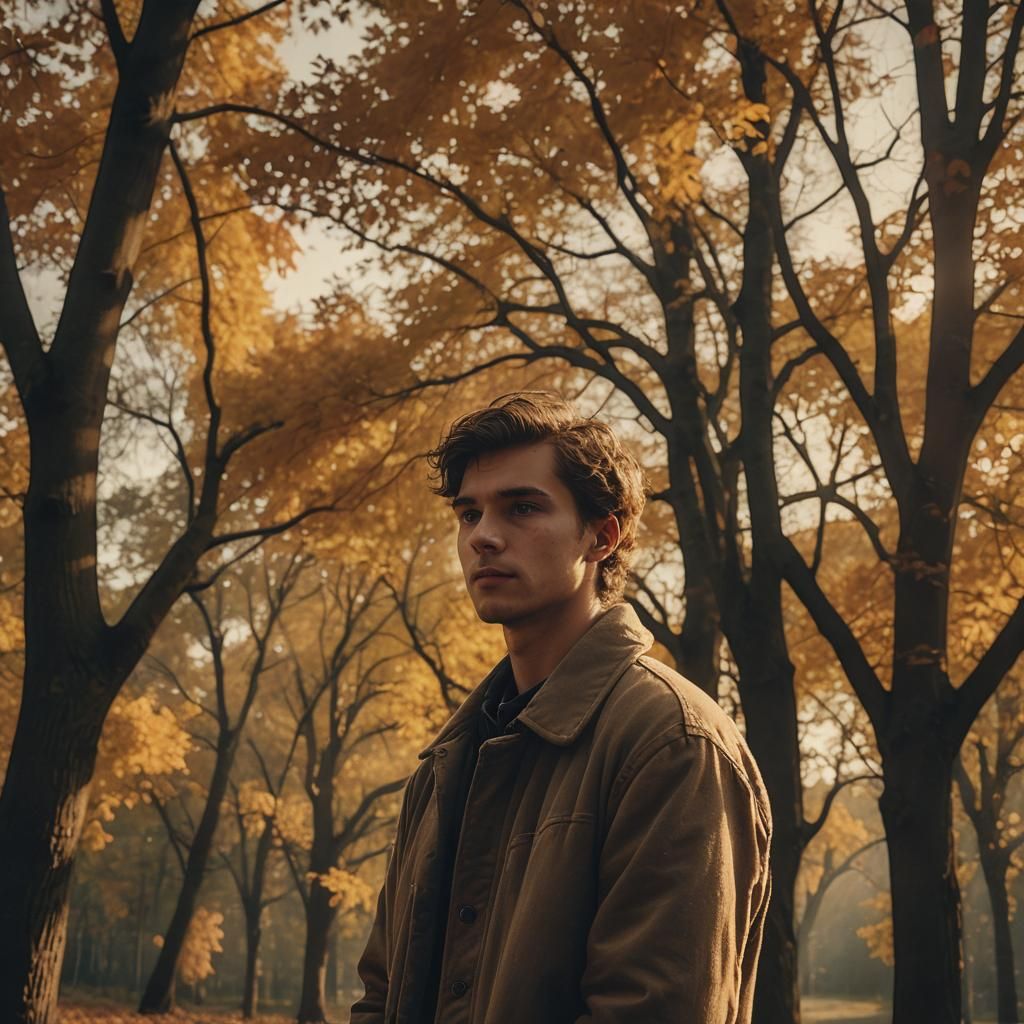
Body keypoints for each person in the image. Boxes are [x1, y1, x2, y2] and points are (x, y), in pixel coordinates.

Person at [350, 392, 772, 1024]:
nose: (484, 537)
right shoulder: (443, 766)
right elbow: (380, 998)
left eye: (522, 507)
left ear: (603, 536)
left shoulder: (672, 744)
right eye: (468, 514)